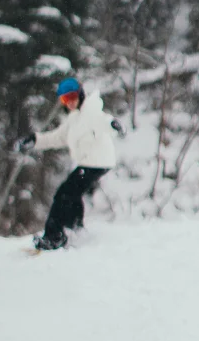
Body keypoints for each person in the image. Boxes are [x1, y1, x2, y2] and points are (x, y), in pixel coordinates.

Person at [15, 77, 126, 251]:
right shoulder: (74, 119)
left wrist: (114, 125)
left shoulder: (91, 111)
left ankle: (54, 236)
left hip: (97, 162)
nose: (70, 102)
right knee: (72, 194)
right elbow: (57, 137)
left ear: (80, 94)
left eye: (72, 97)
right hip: (90, 163)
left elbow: (104, 121)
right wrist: (35, 140)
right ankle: (75, 228)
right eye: (65, 99)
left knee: (64, 194)